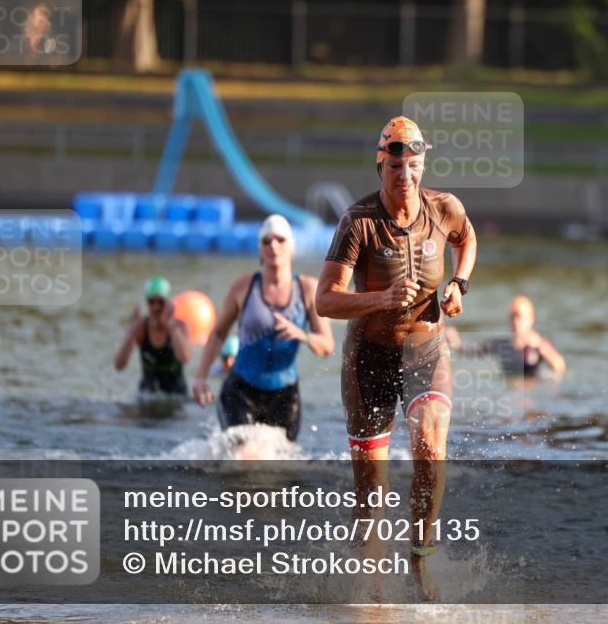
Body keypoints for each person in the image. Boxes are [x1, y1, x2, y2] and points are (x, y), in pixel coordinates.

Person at [315, 115, 477, 601]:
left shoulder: (444, 207)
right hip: (369, 360)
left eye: (411, 165)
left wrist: (458, 284)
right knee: (372, 495)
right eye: (393, 165)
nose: (403, 174)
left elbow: (467, 240)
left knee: (431, 445)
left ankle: (421, 561)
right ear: (380, 165)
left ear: (422, 165)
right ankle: (375, 593)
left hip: (427, 349)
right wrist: (379, 300)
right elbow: (325, 300)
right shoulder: (357, 222)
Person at [192, 215, 334, 443]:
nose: (273, 246)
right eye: (266, 241)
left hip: (285, 395)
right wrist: (200, 377)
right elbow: (218, 333)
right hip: (241, 391)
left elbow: (326, 346)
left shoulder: (307, 289)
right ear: (260, 249)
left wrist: (303, 335)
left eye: (280, 239)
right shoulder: (243, 286)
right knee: (244, 461)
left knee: (280, 468)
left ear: (292, 247)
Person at [446, 295, 565, 381]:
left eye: (520, 317)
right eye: (512, 317)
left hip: (532, 387)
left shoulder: (538, 344)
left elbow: (559, 367)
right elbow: (474, 352)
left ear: (531, 319)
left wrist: (540, 348)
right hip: (510, 385)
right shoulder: (501, 344)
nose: (516, 322)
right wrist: (456, 343)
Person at [114, 276, 192, 398]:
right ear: (147, 302)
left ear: (168, 302)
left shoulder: (180, 327)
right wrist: (132, 332)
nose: (156, 307)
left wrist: (169, 324)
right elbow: (119, 365)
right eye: (151, 301)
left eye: (161, 302)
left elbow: (185, 358)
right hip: (147, 396)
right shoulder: (142, 328)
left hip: (176, 397)